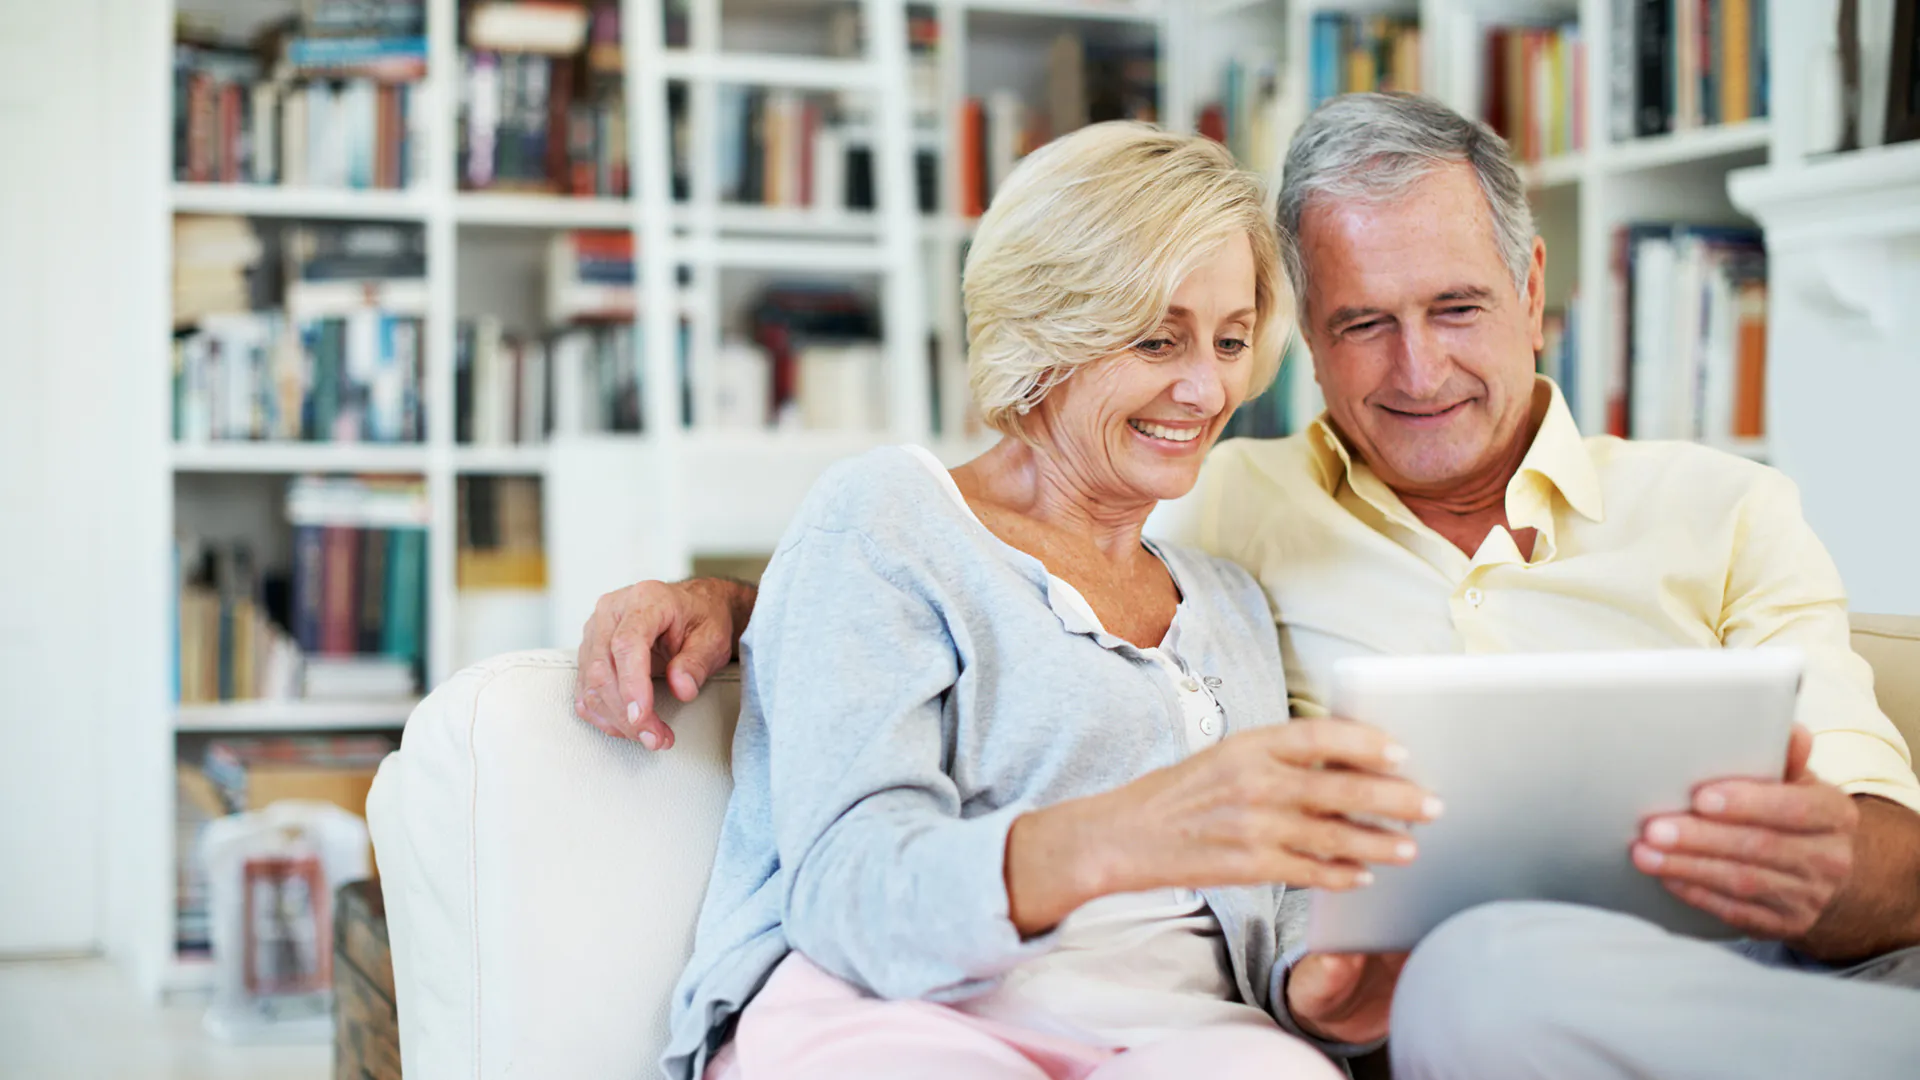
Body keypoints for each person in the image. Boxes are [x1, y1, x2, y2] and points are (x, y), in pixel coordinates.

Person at [589, 95, 1920, 1078]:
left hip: (1716, 981)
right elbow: (937, 565)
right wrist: (732, 604)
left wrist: (1322, 979)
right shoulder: (1197, 510)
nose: (1414, 371)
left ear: (1531, 288)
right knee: (1472, 976)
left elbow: (1892, 851)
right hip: (1405, 1010)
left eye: (1455, 308)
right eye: (1356, 325)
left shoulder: (1720, 509)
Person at [660, 122, 1438, 1080]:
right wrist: (1122, 835)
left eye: (1231, 340)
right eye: (1158, 337)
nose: (1205, 386)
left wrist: (1328, 983)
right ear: (1045, 327)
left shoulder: (1228, 601)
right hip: (900, 1013)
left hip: (1179, 1034)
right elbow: (848, 894)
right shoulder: (887, 520)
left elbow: (1270, 925)